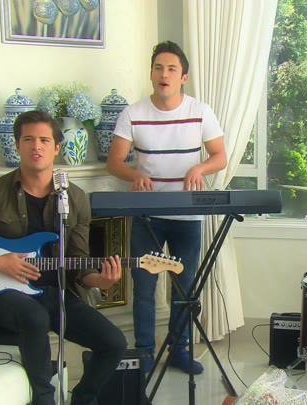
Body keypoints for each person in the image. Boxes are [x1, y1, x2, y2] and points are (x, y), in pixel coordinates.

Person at [0, 110, 127, 405]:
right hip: (2, 295)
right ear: (18, 145)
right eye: (29, 140)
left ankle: (82, 399)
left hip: (54, 293)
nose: (37, 147)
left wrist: (99, 280)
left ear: (56, 148)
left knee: (114, 343)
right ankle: (43, 400)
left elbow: (77, 259)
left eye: (44, 140)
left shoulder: (74, 199)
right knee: (34, 317)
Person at [106, 40, 227, 374]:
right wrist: (135, 175)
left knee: (184, 286)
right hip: (147, 215)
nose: (164, 74)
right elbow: (114, 162)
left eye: (172, 69)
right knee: (144, 286)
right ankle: (145, 352)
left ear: (183, 77)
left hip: (187, 214)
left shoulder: (200, 111)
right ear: (151, 74)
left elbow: (220, 156)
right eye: (158, 68)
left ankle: (179, 350)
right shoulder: (133, 113)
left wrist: (200, 168)